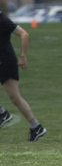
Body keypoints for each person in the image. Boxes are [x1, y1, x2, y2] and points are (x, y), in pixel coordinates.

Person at [0, 11, 46, 141]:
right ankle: (2, 114)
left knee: (15, 97)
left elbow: (24, 34)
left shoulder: (3, 20)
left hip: (6, 63)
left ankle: (36, 127)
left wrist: (23, 57)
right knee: (15, 97)